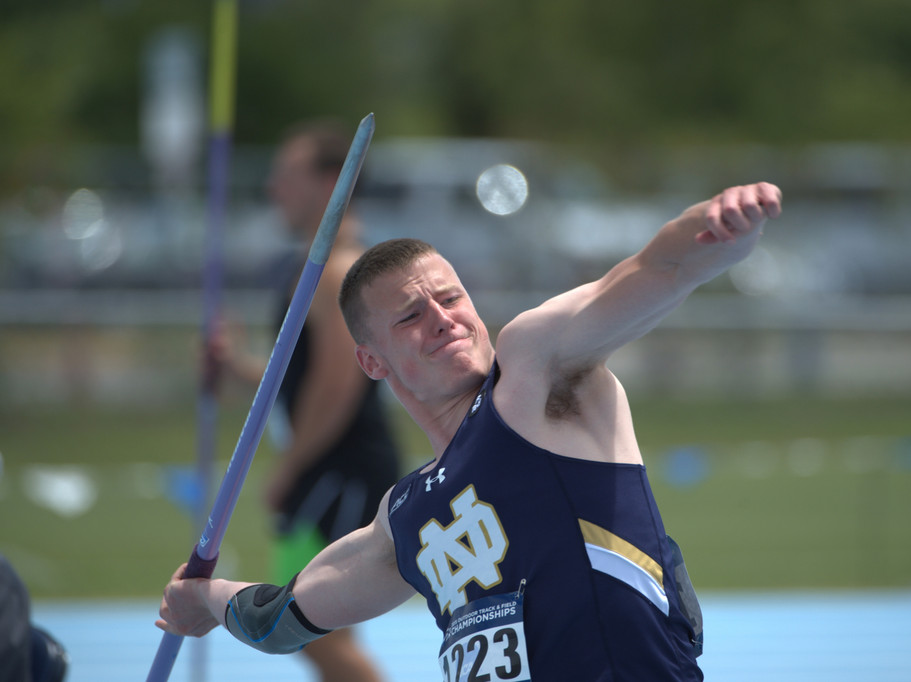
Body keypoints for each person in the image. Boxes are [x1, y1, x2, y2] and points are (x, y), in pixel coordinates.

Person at [162, 181, 784, 680]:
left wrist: (722, 226)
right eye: (410, 315)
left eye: (451, 298)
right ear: (372, 362)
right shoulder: (403, 520)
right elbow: (281, 622)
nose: (442, 320)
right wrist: (206, 599)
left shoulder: (535, 372)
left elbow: (662, 270)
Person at [208, 120, 400, 682]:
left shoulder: (339, 271)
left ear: (327, 184)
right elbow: (293, 379)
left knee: (306, 628)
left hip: (340, 469)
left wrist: (290, 468)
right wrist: (234, 365)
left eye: (284, 175)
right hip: (327, 466)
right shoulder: (316, 269)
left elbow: (336, 387)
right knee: (312, 631)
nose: (272, 189)